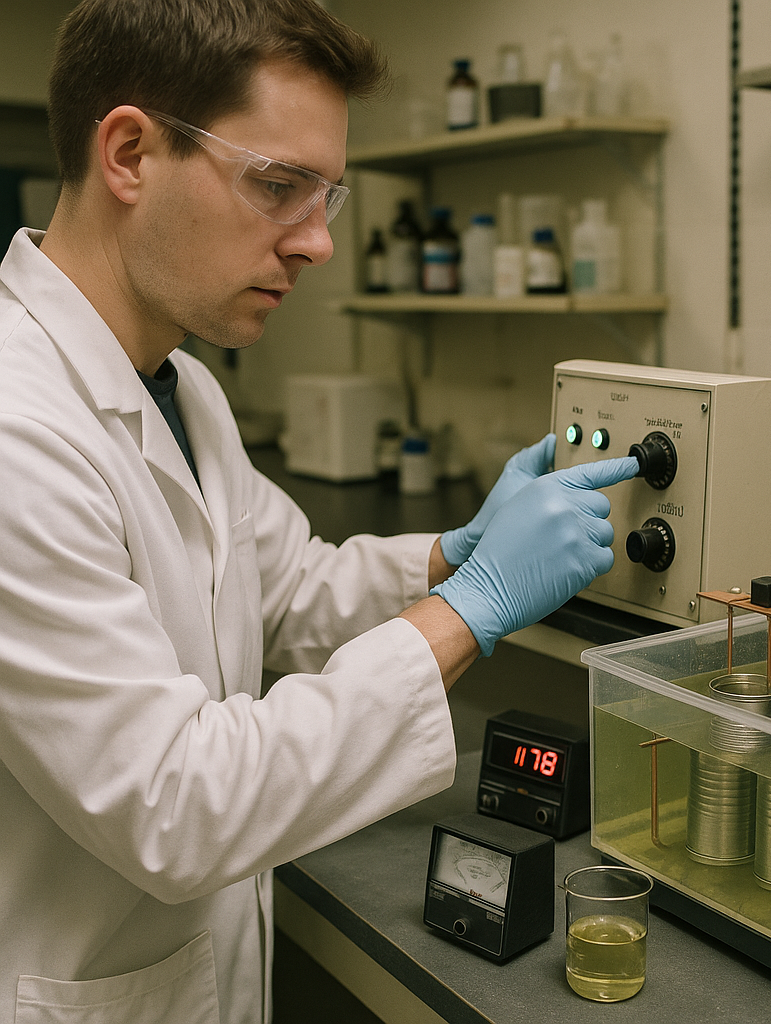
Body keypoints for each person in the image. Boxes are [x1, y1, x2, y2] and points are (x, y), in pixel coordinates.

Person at [0, 1, 637, 1021]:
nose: (318, 244)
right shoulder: (17, 431)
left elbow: (284, 589)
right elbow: (179, 803)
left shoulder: (180, 384)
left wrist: (447, 554)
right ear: (129, 153)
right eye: (279, 186)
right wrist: (472, 606)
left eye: (328, 195)